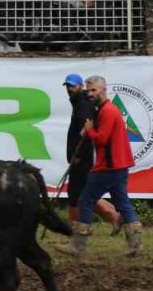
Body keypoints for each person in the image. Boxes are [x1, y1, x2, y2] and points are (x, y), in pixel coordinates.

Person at [60, 75, 144, 257]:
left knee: (85, 200)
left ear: (104, 90)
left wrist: (89, 129)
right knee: (123, 203)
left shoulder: (107, 111)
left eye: (94, 90)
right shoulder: (108, 109)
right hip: (119, 164)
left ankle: (78, 245)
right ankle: (134, 244)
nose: (90, 94)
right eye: (88, 90)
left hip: (109, 165)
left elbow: (102, 139)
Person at [63, 72, 122, 231]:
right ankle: (112, 215)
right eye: (67, 86)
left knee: (77, 194)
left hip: (82, 156)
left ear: (80, 86)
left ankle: (76, 227)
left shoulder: (83, 104)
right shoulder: (79, 102)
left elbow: (85, 134)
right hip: (79, 155)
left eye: (73, 86)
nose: (69, 89)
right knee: (81, 192)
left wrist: (78, 155)